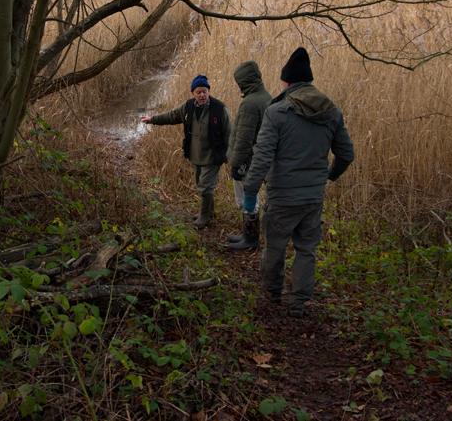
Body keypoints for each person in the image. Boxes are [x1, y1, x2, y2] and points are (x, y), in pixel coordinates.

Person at [241, 47, 354, 317]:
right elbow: (347, 154)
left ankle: (271, 293)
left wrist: (250, 191)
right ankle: (299, 301)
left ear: (287, 82)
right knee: (306, 248)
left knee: (276, 245)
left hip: (283, 195)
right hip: (313, 196)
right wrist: (329, 175)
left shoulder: (277, 112)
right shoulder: (331, 112)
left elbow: (262, 156)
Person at [141, 74, 231, 229]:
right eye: (198, 92)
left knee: (205, 186)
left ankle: (204, 217)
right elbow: (172, 116)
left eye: (204, 91)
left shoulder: (219, 109)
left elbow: (230, 133)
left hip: (213, 156)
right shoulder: (188, 107)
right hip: (195, 155)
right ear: (193, 93)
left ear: (208, 91)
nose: (202, 95)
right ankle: (209, 212)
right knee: (200, 184)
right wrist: (153, 119)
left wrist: (230, 155)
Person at [224, 60, 272, 251]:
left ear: (244, 82)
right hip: (259, 158)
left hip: (249, 161)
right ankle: (248, 235)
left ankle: (250, 239)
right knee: (250, 197)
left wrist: (235, 164)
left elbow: (244, 139)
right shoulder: (265, 97)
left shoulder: (250, 103)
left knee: (247, 198)